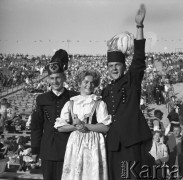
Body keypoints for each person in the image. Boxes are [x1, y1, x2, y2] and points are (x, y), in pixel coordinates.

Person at [101, 4, 152, 179]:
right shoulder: (105, 91)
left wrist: (139, 26)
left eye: (117, 65)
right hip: (113, 145)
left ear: (123, 66)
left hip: (132, 142)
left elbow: (139, 57)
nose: (114, 69)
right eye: (111, 66)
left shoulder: (131, 81)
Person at [54, 70, 111, 180]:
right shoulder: (70, 103)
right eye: (85, 82)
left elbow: (105, 127)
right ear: (79, 83)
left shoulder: (99, 103)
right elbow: (60, 127)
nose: (89, 85)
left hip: (94, 143)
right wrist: (76, 127)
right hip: (75, 143)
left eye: (92, 83)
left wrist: (85, 126)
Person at [31, 49, 77, 180]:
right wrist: (35, 149)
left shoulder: (74, 97)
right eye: (51, 78)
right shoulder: (41, 99)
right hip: (47, 151)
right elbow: (36, 127)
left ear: (64, 78)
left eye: (58, 78)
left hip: (68, 151)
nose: (55, 81)